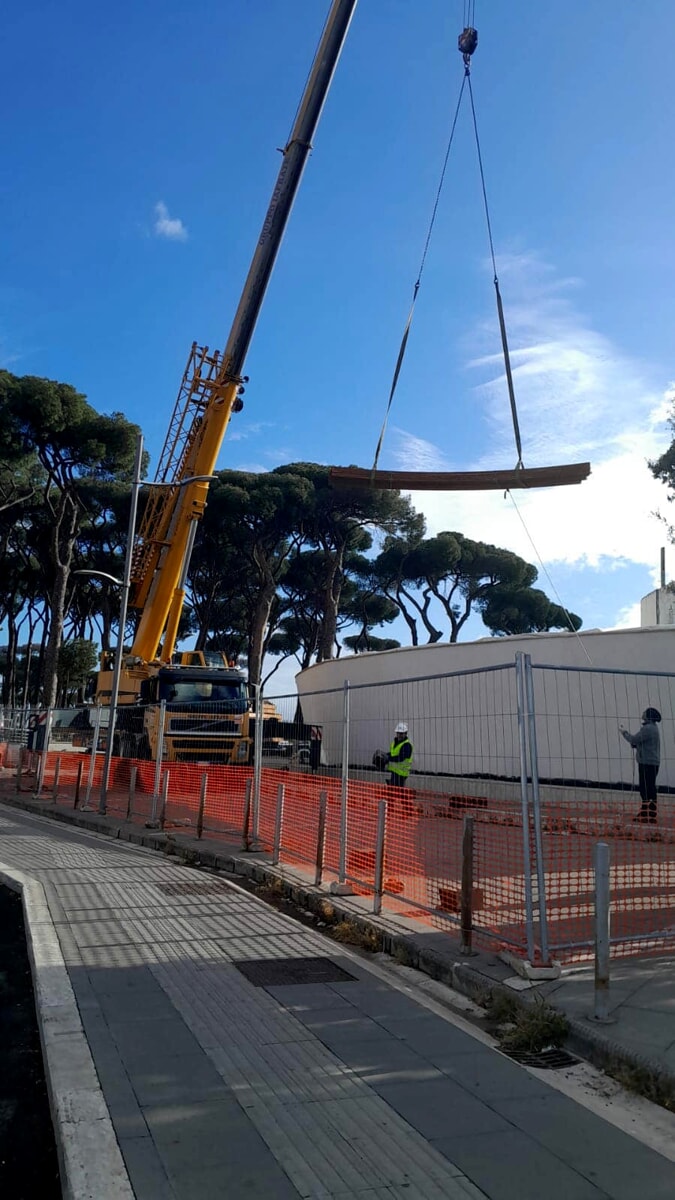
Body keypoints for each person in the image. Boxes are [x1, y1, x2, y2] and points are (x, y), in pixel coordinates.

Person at [620, 707, 661, 823]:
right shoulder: (653, 728)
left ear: (649, 716)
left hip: (646, 763)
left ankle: (646, 813)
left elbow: (634, 739)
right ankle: (650, 813)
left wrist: (624, 733)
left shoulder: (647, 729)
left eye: (645, 712)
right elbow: (645, 744)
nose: (643, 713)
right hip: (652, 762)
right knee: (650, 787)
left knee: (645, 788)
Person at [386, 721, 413, 787]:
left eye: (401, 733)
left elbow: (401, 758)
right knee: (393, 790)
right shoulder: (395, 743)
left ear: (405, 733)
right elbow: (393, 754)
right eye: (398, 733)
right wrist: (386, 755)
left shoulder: (407, 745)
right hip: (394, 771)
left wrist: (388, 758)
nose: (399, 735)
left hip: (401, 773)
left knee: (397, 791)